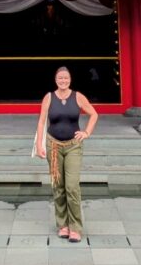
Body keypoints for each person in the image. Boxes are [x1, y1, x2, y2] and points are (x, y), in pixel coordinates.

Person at [35, 66, 98, 243]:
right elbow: (41, 122)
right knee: (58, 186)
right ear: (56, 80)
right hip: (53, 145)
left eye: (66, 78)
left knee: (71, 186)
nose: (63, 81)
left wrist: (86, 132)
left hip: (73, 146)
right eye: (60, 78)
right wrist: (40, 144)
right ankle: (63, 225)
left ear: (70, 80)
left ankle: (76, 227)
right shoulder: (49, 97)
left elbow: (94, 114)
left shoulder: (78, 96)